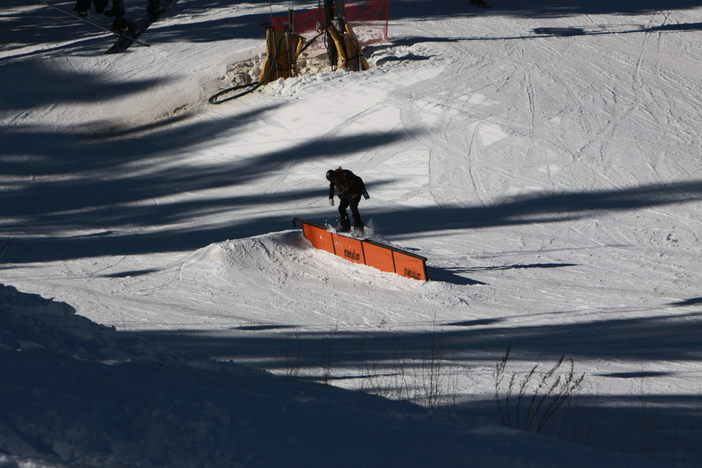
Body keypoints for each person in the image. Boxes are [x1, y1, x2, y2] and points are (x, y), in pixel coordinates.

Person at [326, 167, 369, 233]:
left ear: (335, 175)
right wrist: (330, 198)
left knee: (353, 207)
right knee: (341, 208)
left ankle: (359, 228)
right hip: (347, 192)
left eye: (334, 179)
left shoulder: (346, 174)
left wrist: (363, 191)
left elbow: (356, 182)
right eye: (332, 180)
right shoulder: (334, 179)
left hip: (356, 191)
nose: (334, 181)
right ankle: (345, 227)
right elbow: (332, 188)